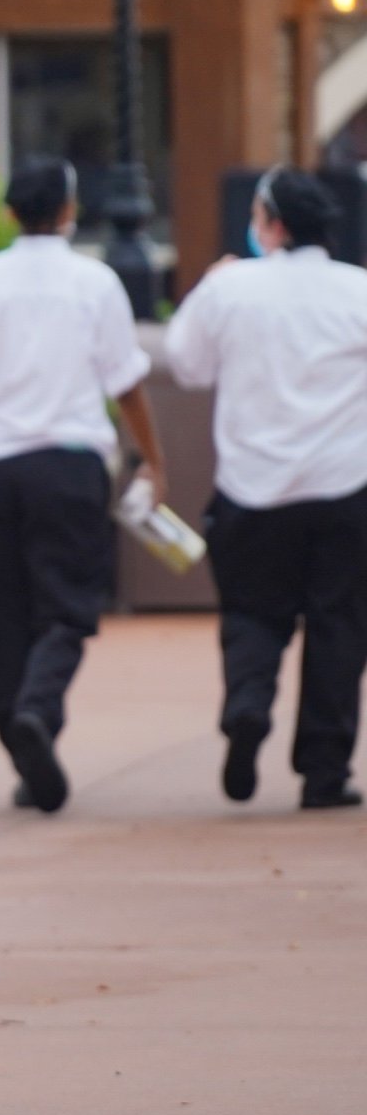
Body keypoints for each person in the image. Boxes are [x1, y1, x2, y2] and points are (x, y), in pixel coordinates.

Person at [0, 157, 167, 813]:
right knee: (70, 605)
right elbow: (126, 383)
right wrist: (153, 459)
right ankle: (39, 710)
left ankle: (23, 743)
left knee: (2, 609)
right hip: (71, 464)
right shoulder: (97, 282)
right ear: (70, 209)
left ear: (10, 211)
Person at [165, 166, 367, 811]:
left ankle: (248, 705)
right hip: (344, 486)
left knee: (252, 613)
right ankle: (324, 772)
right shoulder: (358, 291)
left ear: (272, 224)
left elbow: (186, 365)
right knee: (340, 625)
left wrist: (212, 285)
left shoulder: (232, 289)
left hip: (251, 489)